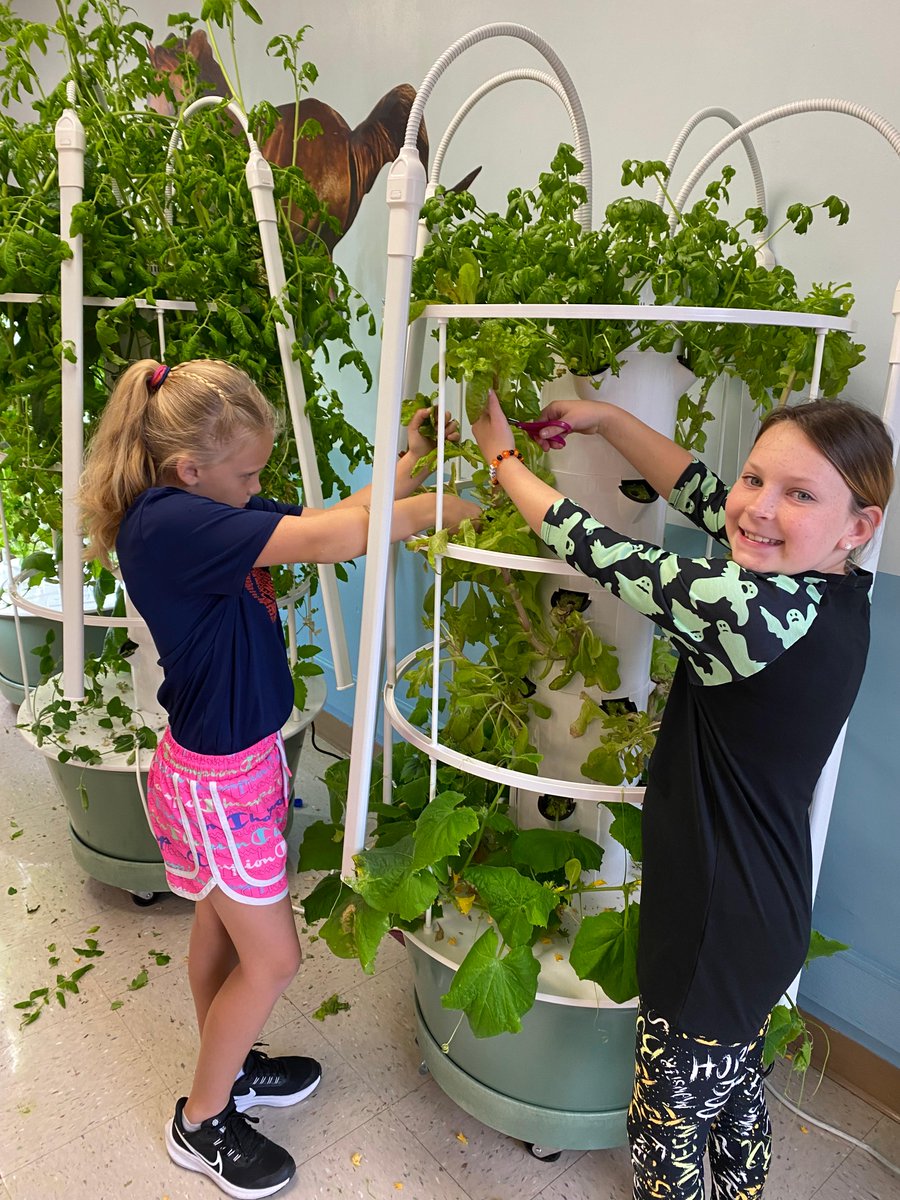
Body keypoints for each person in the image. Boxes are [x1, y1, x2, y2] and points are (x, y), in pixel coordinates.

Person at [472, 387, 893, 1199]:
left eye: (799, 494)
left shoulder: (745, 609)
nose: (759, 508)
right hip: (766, 912)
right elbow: (704, 493)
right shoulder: (838, 594)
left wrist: (502, 459)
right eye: (755, 478)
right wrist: (606, 420)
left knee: (665, 1129)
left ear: (858, 526)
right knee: (733, 1093)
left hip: (711, 923)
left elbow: (599, 550)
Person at [79, 358, 479, 1200]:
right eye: (248, 472)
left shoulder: (208, 505)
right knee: (276, 960)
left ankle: (232, 1067)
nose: (257, 486)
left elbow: (337, 518)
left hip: (230, 764)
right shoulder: (170, 524)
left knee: (220, 936)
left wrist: (411, 468)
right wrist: (452, 510)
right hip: (218, 782)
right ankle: (202, 1119)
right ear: (190, 469)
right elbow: (338, 541)